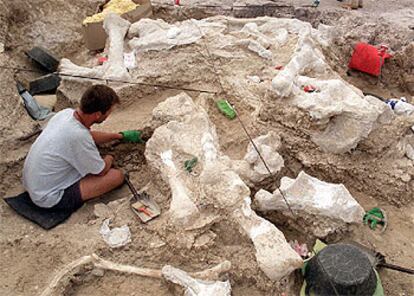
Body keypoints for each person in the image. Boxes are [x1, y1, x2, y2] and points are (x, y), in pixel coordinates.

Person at [22, 84, 143, 212]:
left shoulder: (66, 114)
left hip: (33, 184)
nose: (109, 115)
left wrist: (118, 136)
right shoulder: (78, 136)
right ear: (97, 115)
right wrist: (110, 157)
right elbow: (100, 171)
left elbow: (88, 136)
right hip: (48, 197)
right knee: (117, 176)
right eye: (108, 112)